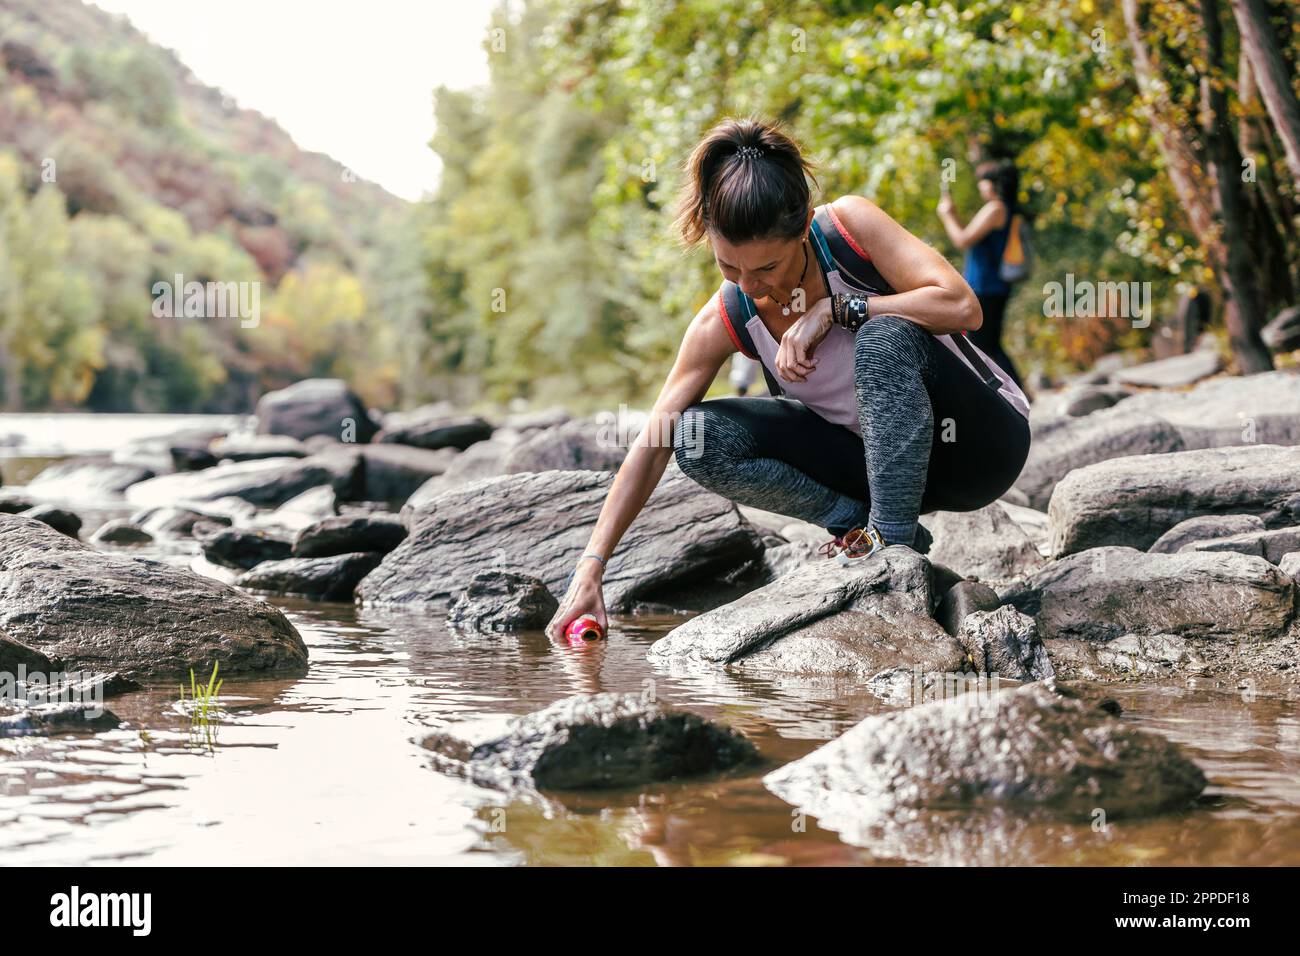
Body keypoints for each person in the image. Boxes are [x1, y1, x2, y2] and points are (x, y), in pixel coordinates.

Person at [545, 118, 1031, 642]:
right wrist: (591, 567)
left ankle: (892, 558)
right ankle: (866, 528)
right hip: (876, 470)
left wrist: (837, 308)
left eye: (767, 268)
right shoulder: (728, 314)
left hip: (978, 446)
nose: (751, 286)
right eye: (729, 268)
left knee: (882, 338)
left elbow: (963, 306)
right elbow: (653, 440)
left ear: (802, 228)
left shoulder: (849, 227)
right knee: (693, 435)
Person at [936, 157, 1024, 388]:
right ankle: (1018, 392)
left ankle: (1016, 393)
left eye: (984, 181)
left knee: (983, 344)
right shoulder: (1003, 208)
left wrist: (945, 215)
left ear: (995, 183)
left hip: (986, 286)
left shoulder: (996, 208)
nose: (980, 185)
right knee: (989, 343)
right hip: (993, 285)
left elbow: (962, 239)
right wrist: (952, 214)